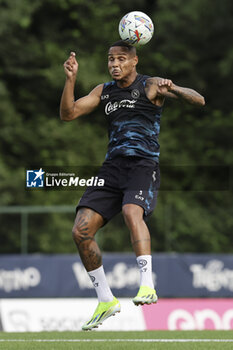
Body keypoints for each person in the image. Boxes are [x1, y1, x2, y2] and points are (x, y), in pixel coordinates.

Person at [60, 40, 205, 331]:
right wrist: (71, 80)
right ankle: (105, 300)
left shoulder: (150, 85)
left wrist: (173, 88)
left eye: (121, 59)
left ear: (134, 61)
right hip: (112, 168)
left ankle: (147, 285)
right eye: (110, 59)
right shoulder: (104, 91)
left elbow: (198, 100)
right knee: (80, 230)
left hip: (142, 165)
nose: (114, 64)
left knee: (130, 211)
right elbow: (68, 114)